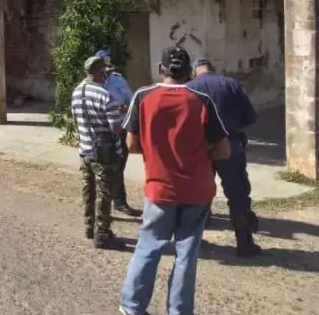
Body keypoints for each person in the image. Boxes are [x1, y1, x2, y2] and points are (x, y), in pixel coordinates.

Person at [119, 47, 230, 315]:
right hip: (197, 188)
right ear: (190, 72)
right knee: (186, 255)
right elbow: (224, 150)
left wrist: (158, 148)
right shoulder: (201, 99)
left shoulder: (143, 96)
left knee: (148, 247)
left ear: (161, 68)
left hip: (160, 187)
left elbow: (132, 144)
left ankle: (132, 306)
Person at [187, 57, 261, 257]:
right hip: (231, 145)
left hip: (200, 148)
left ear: (195, 71)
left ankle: (195, 242)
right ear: (213, 69)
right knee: (238, 194)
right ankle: (245, 244)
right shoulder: (231, 84)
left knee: (198, 193)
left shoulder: (187, 88)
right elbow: (250, 117)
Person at [71, 56, 125, 250]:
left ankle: (89, 226)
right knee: (104, 192)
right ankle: (102, 234)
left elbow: (78, 120)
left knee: (88, 189)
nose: (107, 77)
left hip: (84, 150)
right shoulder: (105, 95)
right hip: (103, 153)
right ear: (101, 73)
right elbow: (115, 128)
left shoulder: (77, 92)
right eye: (106, 73)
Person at [94, 49, 141, 217]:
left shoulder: (118, 80)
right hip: (101, 133)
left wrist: (124, 108)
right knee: (102, 170)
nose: (105, 74)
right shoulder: (90, 85)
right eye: (102, 70)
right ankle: (101, 207)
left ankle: (119, 203)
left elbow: (132, 103)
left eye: (107, 70)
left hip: (119, 129)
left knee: (118, 167)